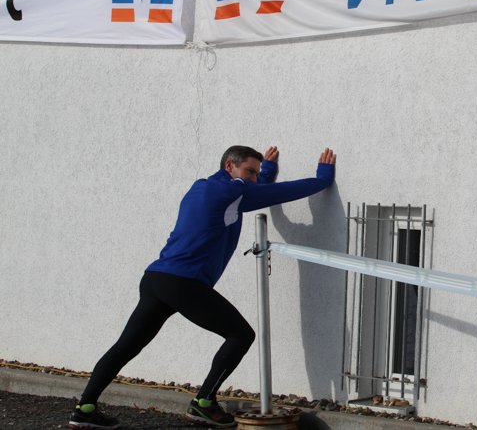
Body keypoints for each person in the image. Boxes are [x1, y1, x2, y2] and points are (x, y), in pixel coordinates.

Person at [68, 145, 336, 429]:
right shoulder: (232, 192)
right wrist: (322, 178)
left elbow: (253, 193)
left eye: (256, 174)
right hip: (184, 282)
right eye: (249, 171)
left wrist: (265, 172)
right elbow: (278, 193)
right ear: (229, 166)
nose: (253, 178)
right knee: (241, 334)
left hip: (156, 278)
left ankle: (84, 408)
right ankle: (204, 402)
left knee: (126, 346)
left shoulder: (204, 188)